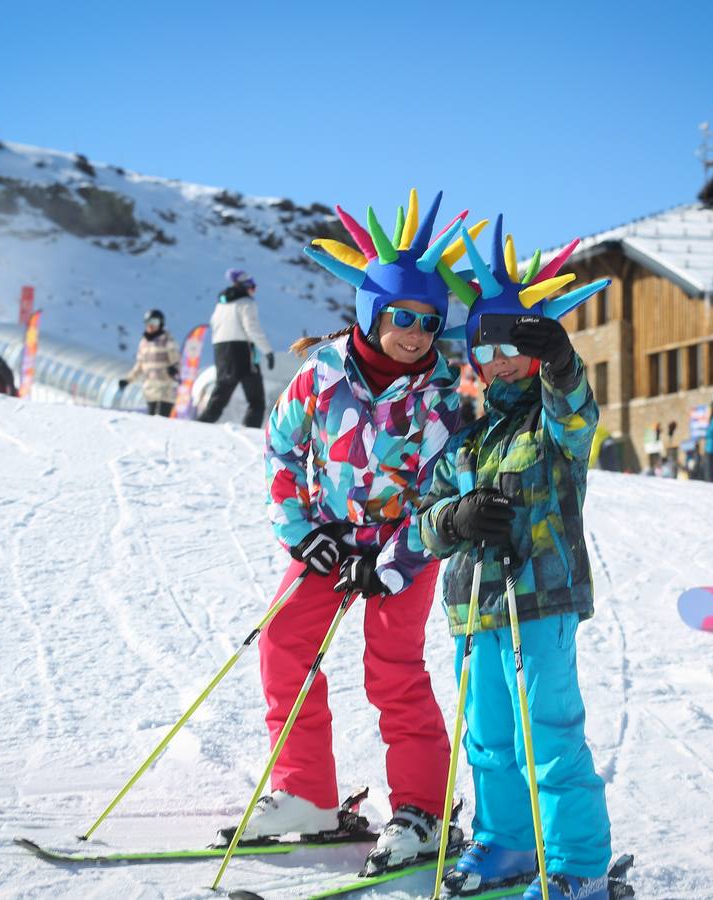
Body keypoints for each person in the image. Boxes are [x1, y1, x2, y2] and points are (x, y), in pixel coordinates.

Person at [248, 190, 464, 872]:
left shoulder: (444, 396)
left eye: (429, 321)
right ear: (371, 311)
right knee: (284, 642)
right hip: (327, 542)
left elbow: (443, 494)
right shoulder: (320, 374)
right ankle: (306, 794)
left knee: (393, 670)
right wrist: (301, 531)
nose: (414, 332)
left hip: (403, 552)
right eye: (401, 315)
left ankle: (420, 812)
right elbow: (281, 451)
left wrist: (393, 562)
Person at [417, 218, 614, 900]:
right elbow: (425, 525)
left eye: (512, 346)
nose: (497, 361)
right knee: (488, 739)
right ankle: (506, 843)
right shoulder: (467, 440)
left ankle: (577, 864)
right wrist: (456, 516)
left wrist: (562, 362)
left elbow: (578, 416)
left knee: (550, 739)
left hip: (540, 602)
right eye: (486, 348)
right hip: (474, 610)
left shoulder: (551, 424)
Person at [198, 269, 274, 427]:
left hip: (221, 351)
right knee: (256, 400)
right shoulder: (246, 303)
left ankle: (200, 424)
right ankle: (251, 431)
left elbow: (214, 326)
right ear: (246, 286)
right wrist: (267, 351)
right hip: (242, 352)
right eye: (252, 286)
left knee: (220, 395)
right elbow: (252, 328)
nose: (253, 290)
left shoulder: (220, 305)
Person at [119, 309, 180, 416]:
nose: (151, 325)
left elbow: (177, 361)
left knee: (161, 422)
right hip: (150, 390)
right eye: (148, 322)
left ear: (161, 323)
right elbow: (139, 366)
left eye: (155, 322)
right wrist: (127, 380)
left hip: (165, 390)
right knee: (150, 423)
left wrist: (174, 369)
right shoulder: (144, 343)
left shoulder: (167, 340)